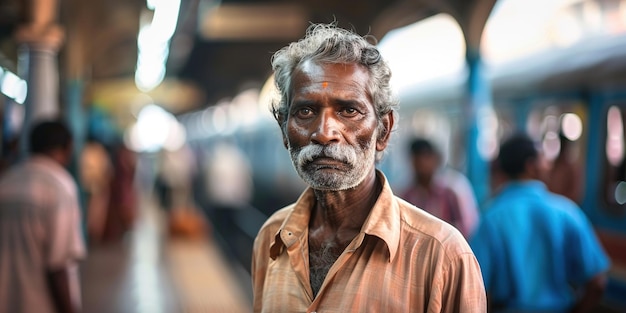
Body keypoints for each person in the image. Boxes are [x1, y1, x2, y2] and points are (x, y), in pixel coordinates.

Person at [251, 23, 486, 312]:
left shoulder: (443, 256)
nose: (325, 132)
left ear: (383, 132)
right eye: (306, 111)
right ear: (284, 131)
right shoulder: (270, 240)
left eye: (349, 110)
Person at [470, 133, 610, 313]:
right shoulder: (567, 212)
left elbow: (477, 288)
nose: (548, 166)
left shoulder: (490, 218)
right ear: (531, 166)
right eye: (544, 159)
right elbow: (598, 283)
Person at [0, 120, 86, 313]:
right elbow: (58, 263)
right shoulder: (59, 186)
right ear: (68, 147)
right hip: (40, 304)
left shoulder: (7, 181)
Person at [401, 137, 477, 238]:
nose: (422, 163)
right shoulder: (408, 195)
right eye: (417, 158)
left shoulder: (453, 190)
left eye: (426, 157)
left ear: (435, 159)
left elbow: (469, 227)